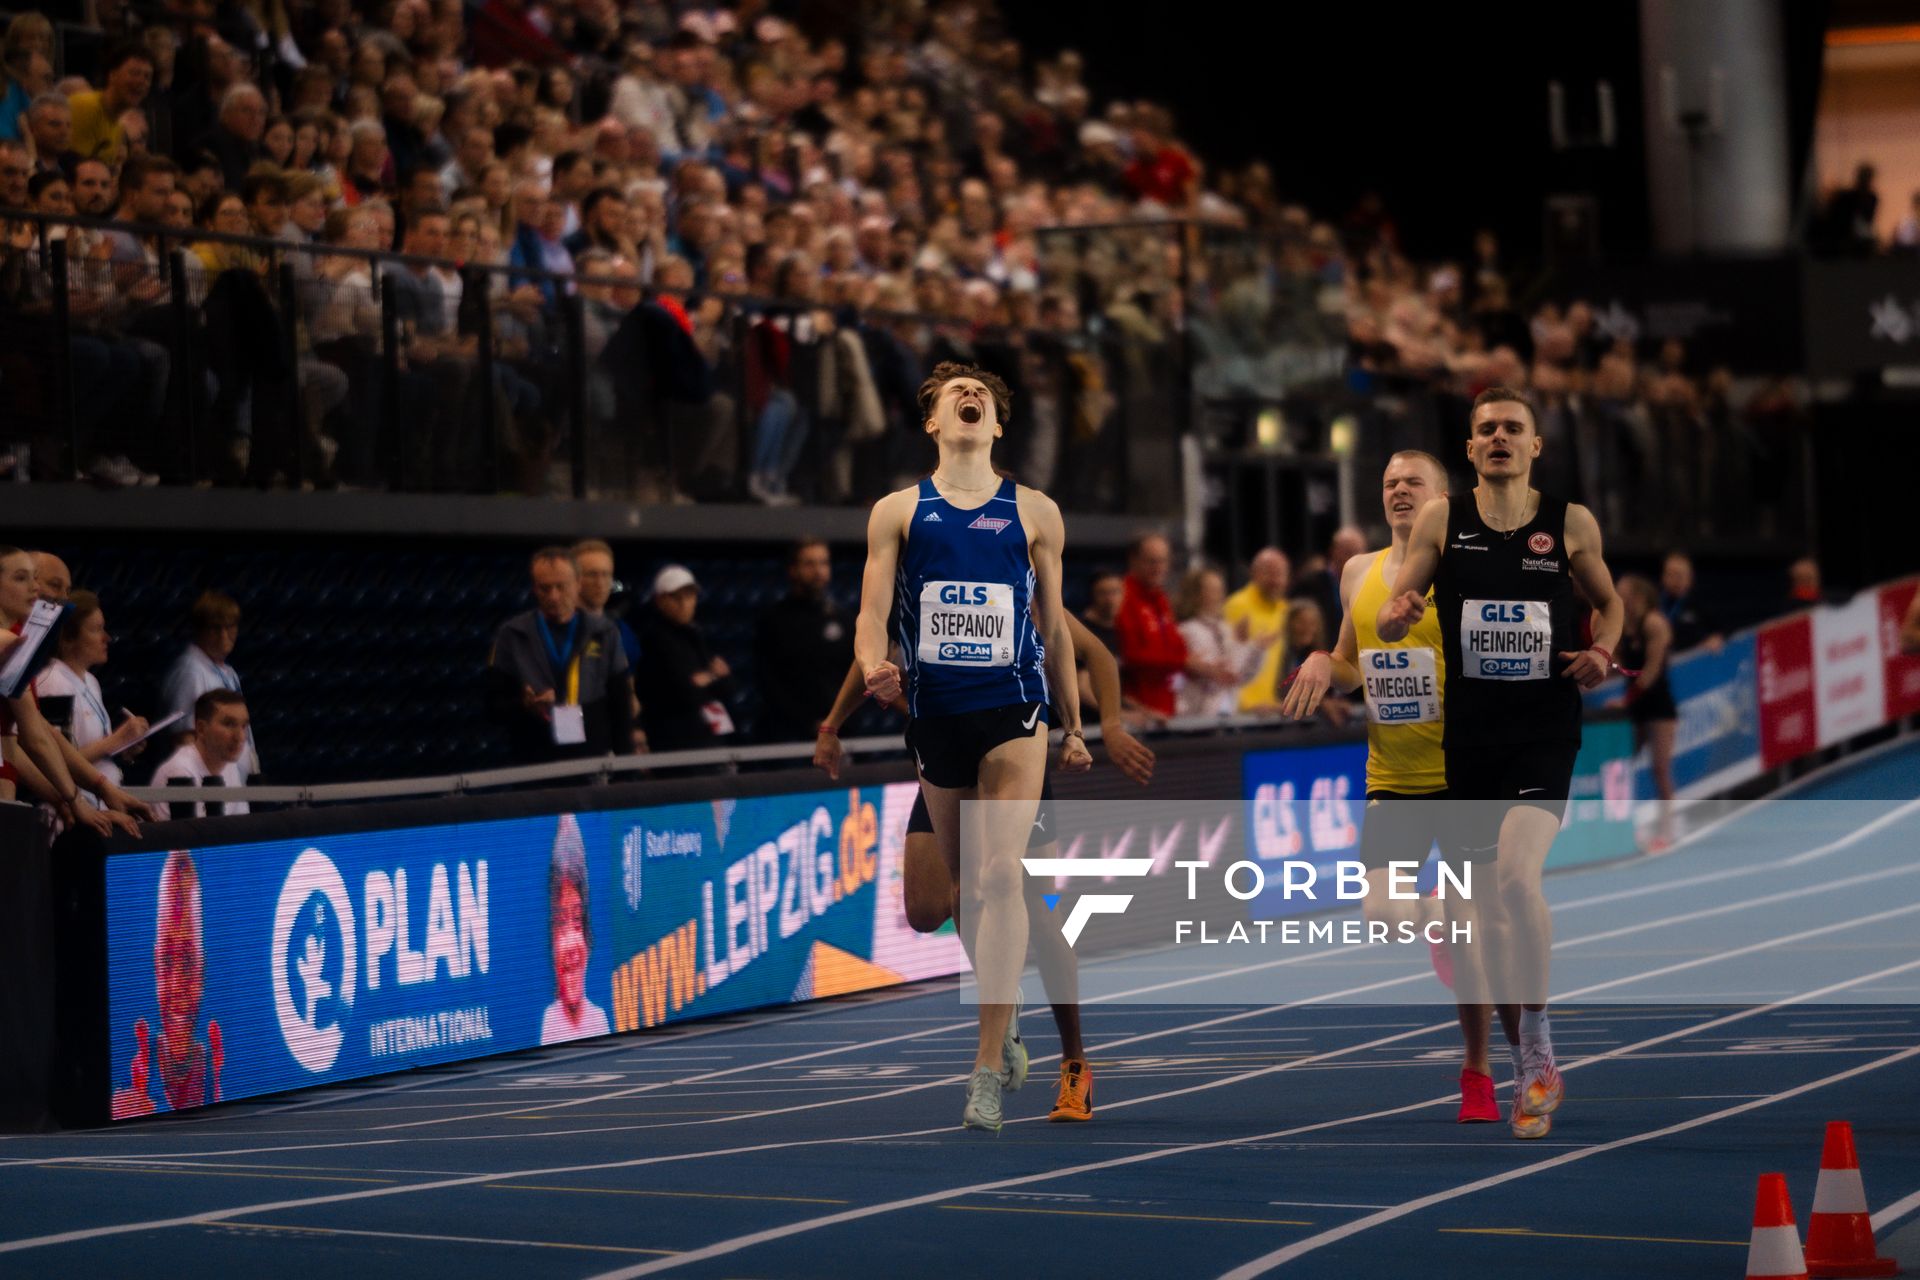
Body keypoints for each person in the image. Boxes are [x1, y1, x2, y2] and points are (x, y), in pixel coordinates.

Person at [1376, 385, 1623, 1140]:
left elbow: (1609, 604)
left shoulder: (1569, 522)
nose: (1499, 438)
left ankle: (1540, 1048)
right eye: (1486, 430)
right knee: (1487, 912)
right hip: (1470, 737)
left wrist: (1605, 649)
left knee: (1518, 882)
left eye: (1513, 428)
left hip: (1544, 728)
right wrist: (1397, 613)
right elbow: (1397, 599)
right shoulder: (1443, 519)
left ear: (1536, 446)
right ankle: (1521, 1065)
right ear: (1470, 447)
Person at [853, 361, 1089, 1133]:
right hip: (936, 716)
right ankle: (1006, 1011)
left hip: (1016, 709)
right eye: (953, 395)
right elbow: (873, 611)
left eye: (980, 397)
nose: (968, 398)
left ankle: (986, 1065)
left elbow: (1054, 629)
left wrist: (1077, 723)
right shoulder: (897, 511)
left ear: (996, 426)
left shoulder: (1036, 512)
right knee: (961, 895)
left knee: (998, 875)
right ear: (934, 424)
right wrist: (871, 666)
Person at [816, 609, 1155, 1122]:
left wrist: (1105, 727)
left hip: (1014, 754)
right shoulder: (917, 580)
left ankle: (1074, 1061)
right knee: (931, 907)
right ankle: (1006, 999)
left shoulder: (1019, 582)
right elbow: (871, 656)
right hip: (946, 755)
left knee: (1038, 914)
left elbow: (1099, 656)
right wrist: (831, 724)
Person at [1285, 450, 1504, 1122]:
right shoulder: (1358, 571)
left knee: (1474, 950)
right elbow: (1352, 665)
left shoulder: (1465, 567)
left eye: (1414, 482)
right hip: (1392, 776)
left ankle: (1477, 1072)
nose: (1400, 492)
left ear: (1444, 496)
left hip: (1463, 774)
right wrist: (1325, 659)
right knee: (1382, 915)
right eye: (1389, 484)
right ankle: (1442, 914)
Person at [487, 547, 634, 763]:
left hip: (591, 760)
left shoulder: (604, 632)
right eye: (545, 588)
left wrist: (625, 767)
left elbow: (621, 705)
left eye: (561, 587)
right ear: (534, 588)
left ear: (578, 584)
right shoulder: (512, 635)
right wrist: (524, 704)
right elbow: (492, 708)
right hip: (535, 761)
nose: (554, 596)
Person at [111, 850, 216, 1117]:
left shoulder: (216, 1064)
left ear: (203, 968)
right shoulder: (132, 1068)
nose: (178, 983)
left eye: (189, 961)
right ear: (155, 964)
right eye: (168, 961)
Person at [31, 591, 149, 809]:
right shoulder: (53, 684)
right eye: (96, 630)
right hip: (71, 809)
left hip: (98, 803)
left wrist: (124, 746)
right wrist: (114, 741)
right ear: (67, 638)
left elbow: (90, 750)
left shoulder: (91, 681)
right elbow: (54, 763)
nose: (107, 638)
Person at [753, 538, 855, 745]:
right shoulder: (774, 620)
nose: (818, 571)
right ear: (793, 570)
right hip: (788, 734)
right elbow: (768, 680)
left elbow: (854, 673)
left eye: (823, 563)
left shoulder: (843, 618)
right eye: (809, 564)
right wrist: (809, 722)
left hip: (840, 729)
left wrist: (837, 720)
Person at [634, 564, 737, 756]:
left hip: (709, 738)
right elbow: (684, 691)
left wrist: (707, 678)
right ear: (659, 600)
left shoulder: (698, 635)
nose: (684, 603)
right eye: (676, 597)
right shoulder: (654, 639)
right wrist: (712, 676)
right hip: (674, 744)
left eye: (689, 596)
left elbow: (728, 686)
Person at [1610, 575, 1678, 851]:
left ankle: (1667, 830)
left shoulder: (1655, 622)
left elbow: (1651, 672)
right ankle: (1625, 829)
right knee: (1623, 766)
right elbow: (1616, 665)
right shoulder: (1624, 626)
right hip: (1635, 706)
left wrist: (1625, 700)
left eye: (1621, 591)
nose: (1616, 594)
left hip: (1658, 705)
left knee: (1660, 769)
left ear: (1637, 595)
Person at [160, 590, 255, 771]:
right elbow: (185, 738)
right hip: (209, 787)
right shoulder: (190, 671)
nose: (224, 635)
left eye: (230, 627)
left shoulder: (228, 671)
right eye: (215, 628)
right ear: (200, 630)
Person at [540, 813, 610, 1045]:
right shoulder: (549, 1024)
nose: (571, 944)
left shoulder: (599, 1020)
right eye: (561, 925)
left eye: (577, 922)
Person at [1113, 532, 1187, 718]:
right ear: (1134, 560)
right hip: (1136, 710)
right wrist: (1185, 663)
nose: (1159, 568)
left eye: (1163, 561)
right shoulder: (1122, 597)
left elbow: (1177, 645)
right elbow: (1131, 655)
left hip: (1166, 707)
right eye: (1152, 562)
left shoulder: (1161, 599)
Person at [150, 689, 252, 819]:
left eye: (244, 726)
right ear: (201, 729)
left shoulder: (229, 765)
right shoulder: (179, 772)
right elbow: (185, 837)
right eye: (229, 724)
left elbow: (241, 827)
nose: (240, 737)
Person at [1173, 565, 1255, 718]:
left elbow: (1239, 675)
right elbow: (1186, 676)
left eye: (1221, 589)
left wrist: (1248, 646)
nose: (1220, 595)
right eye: (1213, 590)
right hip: (1195, 714)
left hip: (1228, 711)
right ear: (1196, 595)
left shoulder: (1226, 630)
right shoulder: (1185, 631)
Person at [1223, 548, 1289, 712]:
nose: (1276, 580)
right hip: (1242, 711)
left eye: (1280, 574)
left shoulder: (1285, 610)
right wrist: (1244, 706)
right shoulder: (1237, 605)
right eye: (1270, 574)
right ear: (1254, 574)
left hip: (1272, 708)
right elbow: (1229, 660)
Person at [1294, 526, 1366, 641]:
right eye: (1347, 552)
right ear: (1333, 551)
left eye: (1357, 552)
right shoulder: (1310, 584)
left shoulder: (1369, 584)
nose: (1353, 558)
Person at [1657, 551, 1720, 653]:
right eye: (1669, 574)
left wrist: (1715, 638)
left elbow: (1720, 631)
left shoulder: (1702, 604)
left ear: (1690, 578)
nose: (1674, 580)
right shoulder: (1654, 602)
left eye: (1679, 575)